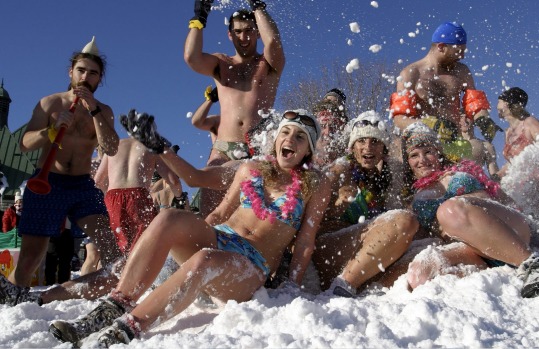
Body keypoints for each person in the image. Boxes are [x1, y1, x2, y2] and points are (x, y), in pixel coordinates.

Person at [49, 109, 331, 347]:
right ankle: (113, 306)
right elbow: (217, 208)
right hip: (222, 237)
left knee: (204, 260)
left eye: (300, 137)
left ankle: (126, 329)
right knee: (169, 216)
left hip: (251, 265)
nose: (290, 139)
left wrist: (293, 286)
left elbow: (305, 239)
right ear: (276, 138)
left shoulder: (315, 185)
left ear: (308, 149)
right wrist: (161, 148)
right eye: (286, 132)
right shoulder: (250, 168)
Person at [0, 37, 123, 307]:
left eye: (93, 73)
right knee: (33, 253)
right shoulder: (49, 103)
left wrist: (94, 111)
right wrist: (50, 131)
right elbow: (23, 144)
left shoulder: (104, 111)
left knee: (108, 244)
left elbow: (111, 148)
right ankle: (16, 298)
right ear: (71, 72)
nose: (85, 76)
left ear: (99, 80)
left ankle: (115, 295)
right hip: (48, 180)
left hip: (81, 184)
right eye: (81, 70)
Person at [401, 122, 539, 298]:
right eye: (414, 155)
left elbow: (505, 202)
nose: (422, 160)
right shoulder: (413, 198)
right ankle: (494, 280)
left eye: (428, 152)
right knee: (420, 271)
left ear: (438, 152)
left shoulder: (462, 170)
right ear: (408, 162)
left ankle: (535, 265)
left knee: (448, 210)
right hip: (475, 250)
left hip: (507, 231)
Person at [184, 0, 285, 217]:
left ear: (257, 32)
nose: (244, 37)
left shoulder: (267, 65)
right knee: (210, 217)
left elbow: (274, 43)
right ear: (230, 35)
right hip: (224, 149)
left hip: (258, 150)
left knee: (251, 218)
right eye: (238, 32)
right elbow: (191, 58)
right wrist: (199, 17)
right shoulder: (222, 63)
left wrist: (258, 7)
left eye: (249, 31)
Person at [312, 111, 418, 296]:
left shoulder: (384, 177)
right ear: (352, 147)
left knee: (425, 246)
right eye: (361, 141)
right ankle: (343, 286)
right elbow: (309, 214)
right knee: (403, 221)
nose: (368, 147)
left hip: (363, 252)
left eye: (375, 142)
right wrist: (336, 206)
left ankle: (373, 289)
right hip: (329, 250)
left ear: (383, 149)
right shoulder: (339, 170)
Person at [390, 21, 502, 162]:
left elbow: (475, 104)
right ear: (441, 47)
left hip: (454, 143)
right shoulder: (411, 74)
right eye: (457, 52)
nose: (462, 56)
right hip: (422, 143)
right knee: (395, 148)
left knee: (478, 148)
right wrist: (431, 124)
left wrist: (483, 119)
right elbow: (399, 119)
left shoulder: (462, 71)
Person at [94, 137, 181, 254]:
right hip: (138, 197)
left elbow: (98, 181)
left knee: (116, 251)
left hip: (112, 198)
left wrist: (108, 198)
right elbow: (173, 180)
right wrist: (179, 197)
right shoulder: (151, 146)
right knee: (142, 249)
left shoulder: (113, 145)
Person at [312, 98, 348, 168]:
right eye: (322, 126)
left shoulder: (350, 165)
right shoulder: (301, 162)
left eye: (333, 127)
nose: (328, 132)